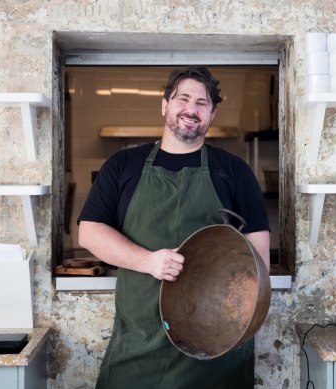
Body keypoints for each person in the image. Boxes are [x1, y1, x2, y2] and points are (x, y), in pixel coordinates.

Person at [78, 66, 270, 388]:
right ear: (165, 104)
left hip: (214, 349)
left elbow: (258, 261)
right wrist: (148, 262)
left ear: (212, 114)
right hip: (139, 343)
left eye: (202, 103)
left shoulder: (235, 171)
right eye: (183, 98)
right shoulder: (123, 166)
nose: (191, 109)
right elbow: (90, 231)